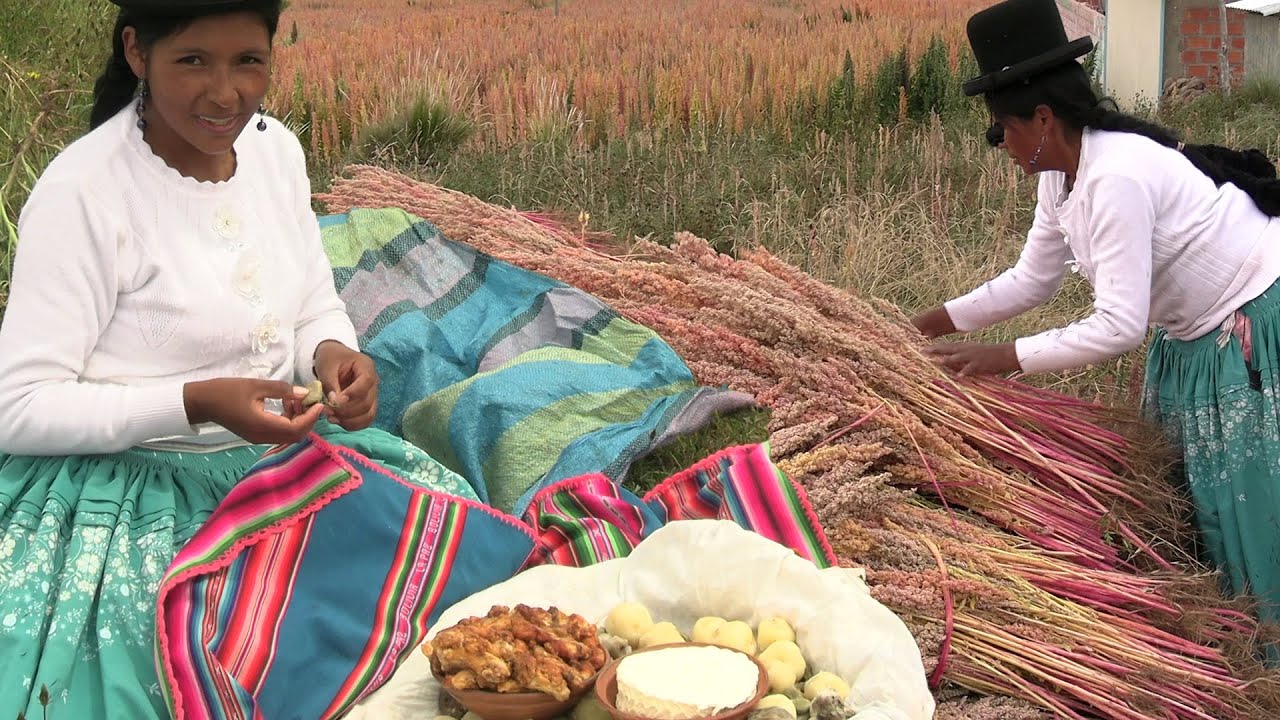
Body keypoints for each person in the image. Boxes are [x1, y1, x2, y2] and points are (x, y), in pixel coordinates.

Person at [0, 1, 478, 716]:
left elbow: (311, 293)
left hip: (276, 458)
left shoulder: (274, 151)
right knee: (181, 675)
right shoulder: (85, 195)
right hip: (128, 494)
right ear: (137, 52)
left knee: (458, 591)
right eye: (193, 61)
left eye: (248, 61)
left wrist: (333, 352)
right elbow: (18, 407)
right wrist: (194, 402)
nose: (225, 94)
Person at [912, 0, 1280, 636]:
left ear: (1044, 118)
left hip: (1243, 326)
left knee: (1244, 508)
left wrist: (1007, 357)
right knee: (1190, 498)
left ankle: (1264, 646)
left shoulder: (1115, 178)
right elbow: (1034, 278)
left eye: (1003, 130)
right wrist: (929, 325)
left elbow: (1119, 326)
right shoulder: (1060, 173)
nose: (1001, 145)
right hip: (1192, 338)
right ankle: (1224, 634)